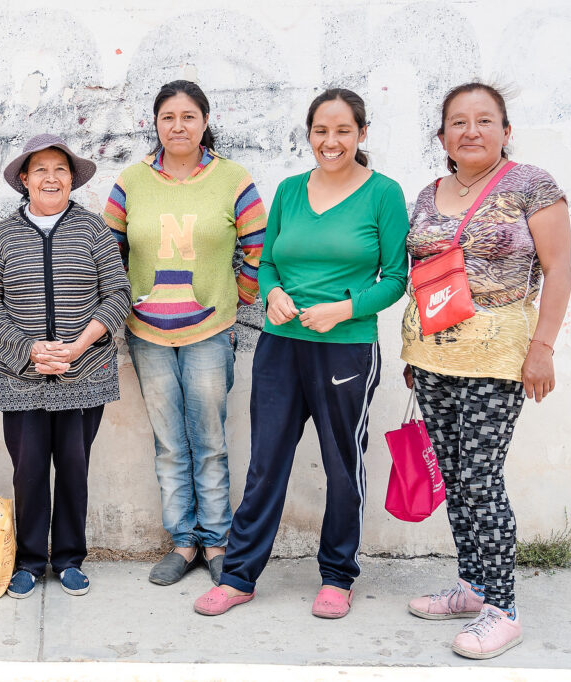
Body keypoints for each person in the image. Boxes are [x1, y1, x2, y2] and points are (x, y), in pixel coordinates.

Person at [194, 89, 409, 617]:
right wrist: (272, 293)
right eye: (321, 131)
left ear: (361, 133)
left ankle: (337, 576)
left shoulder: (383, 193)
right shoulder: (290, 190)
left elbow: (396, 279)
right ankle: (239, 576)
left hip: (346, 351)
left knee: (342, 465)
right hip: (280, 346)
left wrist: (344, 310)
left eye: (342, 131)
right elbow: (267, 262)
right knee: (266, 463)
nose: (330, 141)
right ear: (309, 134)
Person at [401, 83, 571, 659]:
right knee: (454, 476)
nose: (470, 131)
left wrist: (543, 347)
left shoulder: (531, 185)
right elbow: (422, 275)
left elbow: (560, 270)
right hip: (431, 358)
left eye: (483, 120)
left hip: (497, 360)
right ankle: (472, 586)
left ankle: (503, 609)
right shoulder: (428, 194)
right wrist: (412, 352)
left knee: (481, 478)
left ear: (505, 130)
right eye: (458, 121)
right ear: (442, 135)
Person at [103, 80, 266, 586]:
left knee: (210, 441)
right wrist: (126, 304)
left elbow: (259, 246)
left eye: (188, 116)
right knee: (170, 444)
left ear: (204, 121)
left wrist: (237, 297)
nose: (178, 126)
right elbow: (109, 252)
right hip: (147, 334)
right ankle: (182, 542)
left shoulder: (233, 179)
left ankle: (216, 542)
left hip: (210, 332)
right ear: (155, 123)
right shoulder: (131, 181)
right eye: (168, 117)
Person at [0, 134, 131, 598]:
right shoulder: (3, 234)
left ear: (71, 179)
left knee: (73, 469)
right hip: (21, 377)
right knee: (28, 472)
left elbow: (118, 294)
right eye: (40, 169)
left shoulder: (92, 229)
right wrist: (28, 349)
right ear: (24, 180)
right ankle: (27, 561)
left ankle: (68, 559)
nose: (51, 177)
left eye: (60, 169)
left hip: (84, 373)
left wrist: (78, 346)